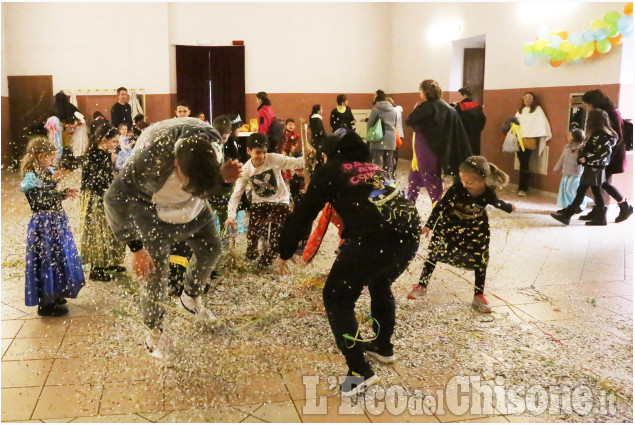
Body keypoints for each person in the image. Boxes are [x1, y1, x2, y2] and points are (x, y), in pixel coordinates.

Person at [277, 132, 420, 397]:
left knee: (336, 297)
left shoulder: (329, 170)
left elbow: (304, 212)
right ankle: (383, 346)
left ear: (329, 153)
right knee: (380, 281)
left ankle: (359, 371)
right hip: (409, 234)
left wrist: (284, 250)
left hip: (374, 237)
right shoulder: (375, 167)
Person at [104, 117, 242, 359]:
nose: (190, 184)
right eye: (188, 179)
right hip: (153, 211)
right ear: (175, 162)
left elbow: (215, 191)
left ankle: (190, 298)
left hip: (196, 210)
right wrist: (135, 247)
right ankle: (153, 333)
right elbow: (113, 199)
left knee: (212, 248)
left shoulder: (214, 146)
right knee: (156, 274)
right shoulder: (146, 161)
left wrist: (225, 181)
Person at [408, 156, 515, 313]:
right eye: (463, 180)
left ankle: (478, 296)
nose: (465, 185)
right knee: (434, 253)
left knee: (481, 259)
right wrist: (428, 226)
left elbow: (497, 203)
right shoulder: (457, 188)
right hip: (450, 224)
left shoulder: (488, 193)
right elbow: (440, 206)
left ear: (483, 181)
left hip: (475, 227)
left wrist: (509, 207)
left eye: (470, 183)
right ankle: (422, 286)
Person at [20, 137, 84, 316]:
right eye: (50, 158)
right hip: (44, 224)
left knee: (58, 256)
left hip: (54, 222)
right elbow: (41, 201)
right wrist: (58, 192)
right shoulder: (31, 178)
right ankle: (46, 302)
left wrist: (63, 193)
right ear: (40, 157)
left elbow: (50, 195)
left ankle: (55, 291)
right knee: (47, 259)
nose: (53, 162)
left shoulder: (44, 173)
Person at [225, 133, 306, 267]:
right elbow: (236, 194)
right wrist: (231, 216)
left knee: (276, 239)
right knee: (252, 236)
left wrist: (310, 157)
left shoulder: (274, 159)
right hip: (259, 203)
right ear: (248, 151)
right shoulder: (245, 169)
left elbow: (297, 162)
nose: (262, 156)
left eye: (264, 152)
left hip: (280, 201)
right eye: (257, 152)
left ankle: (264, 265)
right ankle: (251, 258)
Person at [405, 79, 472, 204]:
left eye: (420, 90)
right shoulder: (448, 108)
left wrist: (415, 110)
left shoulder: (426, 107)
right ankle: (409, 206)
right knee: (414, 179)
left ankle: (438, 213)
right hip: (439, 150)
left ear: (424, 91)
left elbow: (411, 121)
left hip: (426, 150)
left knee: (432, 182)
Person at [551, 109, 618, 226]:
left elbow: (605, 152)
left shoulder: (602, 134)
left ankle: (568, 215)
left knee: (582, 190)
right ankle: (599, 217)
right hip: (593, 167)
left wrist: (588, 158)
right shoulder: (597, 133)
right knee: (595, 191)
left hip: (595, 167)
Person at [81, 125, 126, 281]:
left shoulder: (105, 154)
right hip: (96, 198)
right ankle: (97, 267)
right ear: (103, 140)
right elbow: (94, 181)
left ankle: (111, 262)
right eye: (113, 141)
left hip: (106, 197)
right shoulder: (92, 155)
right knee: (98, 233)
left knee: (111, 230)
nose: (115, 145)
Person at [580, 89, 632, 223]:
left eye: (587, 105)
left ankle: (624, 205)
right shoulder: (608, 111)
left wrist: (602, 157)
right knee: (598, 183)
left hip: (609, 156)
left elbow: (616, 137)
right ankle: (598, 210)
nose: (586, 108)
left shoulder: (611, 113)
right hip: (606, 155)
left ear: (593, 103)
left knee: (602, 183)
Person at [514, 91, 551, 197]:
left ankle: (523, 188)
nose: (527, 99)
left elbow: (540, 124)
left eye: (530, 97)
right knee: (522, 164)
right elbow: (516, 123)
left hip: (529, 140)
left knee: (524, 165)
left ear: (533, 99)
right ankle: (521, 187)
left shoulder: (537, 110)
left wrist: (532, 133)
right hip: (519, 140)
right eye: (525, 97)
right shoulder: (520, 111)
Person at [553, 129, 591, 212]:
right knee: (565, 190)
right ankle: (567, 207)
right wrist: (556, 169)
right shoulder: (567, 147)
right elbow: (561, 159)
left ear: (576, 137)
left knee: (572, 189)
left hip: (576, 173)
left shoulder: (582, 148)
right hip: (566, 172)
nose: (567, 137)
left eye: (570, 135)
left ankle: (581, 204)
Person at [366, 89, 397, 176]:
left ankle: (380, 182)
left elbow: (370, 124)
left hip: (378, 139)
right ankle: (389, 181)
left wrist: (369, 137)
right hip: (391, 140)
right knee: (389, 162)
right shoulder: (393, 110)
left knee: (378, 163)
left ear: (377, 100)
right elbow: (394, 124)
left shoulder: (376, 109)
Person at [453, 87, 486, 156]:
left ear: (464, 95)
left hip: (463, 138)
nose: (458, 97)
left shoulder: (459, 107)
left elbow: (456, 122)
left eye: (459, 95)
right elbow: (483, 120)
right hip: (475, 137)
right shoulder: (476, 106)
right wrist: (476, 130)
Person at [387, 97, 403, 175]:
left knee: (393, 152)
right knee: (395, 152)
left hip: (395, 133)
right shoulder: (398, 110)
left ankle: (393, 167)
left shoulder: (394, 111)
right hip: (398, 133)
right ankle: (394, 167)